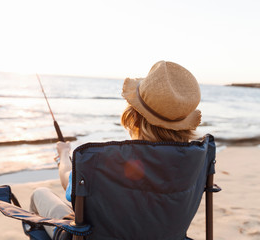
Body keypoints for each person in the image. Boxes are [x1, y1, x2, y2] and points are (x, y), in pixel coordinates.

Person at [30, 60, 202, 238]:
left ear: (133, 117)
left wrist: (64, 155)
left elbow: (69, 183)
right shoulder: (194, 161)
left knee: (39, 194)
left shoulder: (107, 162)